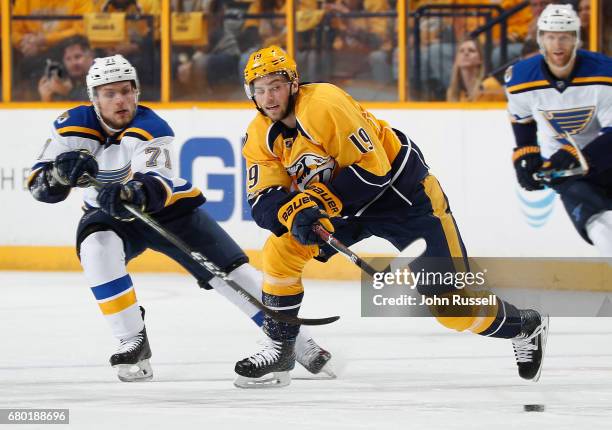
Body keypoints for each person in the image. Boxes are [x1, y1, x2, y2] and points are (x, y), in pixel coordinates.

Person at [234, 45, 549, 388]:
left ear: (293, 84)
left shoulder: (324, 104)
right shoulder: (259, 135)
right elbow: (262, 198)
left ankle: (525, 325)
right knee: (280, 250)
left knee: (454, 310)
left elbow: (374, 170)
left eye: (275, 86)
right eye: (260, 89)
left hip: (406, 200)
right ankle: (281, 346)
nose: (268, 97)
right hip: (347, 206)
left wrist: (311, 204)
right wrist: (293, 213)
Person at [27, 54, 333, 383]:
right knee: (96, 250)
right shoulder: (70, 127)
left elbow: (157, 182)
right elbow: (39, 186)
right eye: (110, 93)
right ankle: (132, 339)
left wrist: (130, 193)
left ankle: (297, 343)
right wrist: (58, 176)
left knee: (234, 275)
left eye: (127, 91)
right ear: (94, 97)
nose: (120, 100)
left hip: (170, 212)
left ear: (137, 92)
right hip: (108, 216)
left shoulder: (152, 126)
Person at [506, 4, 612, 255]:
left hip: (606, 159)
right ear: (540, 39)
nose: (557, 44)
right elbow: (521, 119)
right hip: (565, 172)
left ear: (576, 39)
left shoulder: (605, 73)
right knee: (597, 223)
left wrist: (579, 155)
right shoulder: (520, 78)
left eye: (564, 36)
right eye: (551, 36)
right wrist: (526, 153)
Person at [38, 36, 95, 102]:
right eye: (68, 59)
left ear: (90, 56)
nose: (73, 63)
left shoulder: (101, 75)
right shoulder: (66, 81)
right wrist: (46, 98)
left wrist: (69, 92)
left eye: (78, 57)